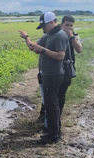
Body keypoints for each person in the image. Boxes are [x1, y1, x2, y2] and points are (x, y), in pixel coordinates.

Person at [19, 12, 68, 144]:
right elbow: (33, 47)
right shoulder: (49, 35)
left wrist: (44, 50)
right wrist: (26, 37)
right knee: (49, 104)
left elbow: (60, 56)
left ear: (52, 22)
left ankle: (53, 136)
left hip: (54, 75)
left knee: (52, 105)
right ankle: (52, 131)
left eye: (44, 25)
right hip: (47, 74)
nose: (42, 29)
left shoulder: (60, 35)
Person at [58, 15, 82, 123]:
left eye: (71, 26)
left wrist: (71, 36)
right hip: (55, 69)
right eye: (66, 25)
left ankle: (57, 117)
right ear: (61, 24)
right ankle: (44, 115)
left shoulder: (74, 36)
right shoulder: (56, 35)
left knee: (61, 94)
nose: (68, 27)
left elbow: (79, 49)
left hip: (67, 69)